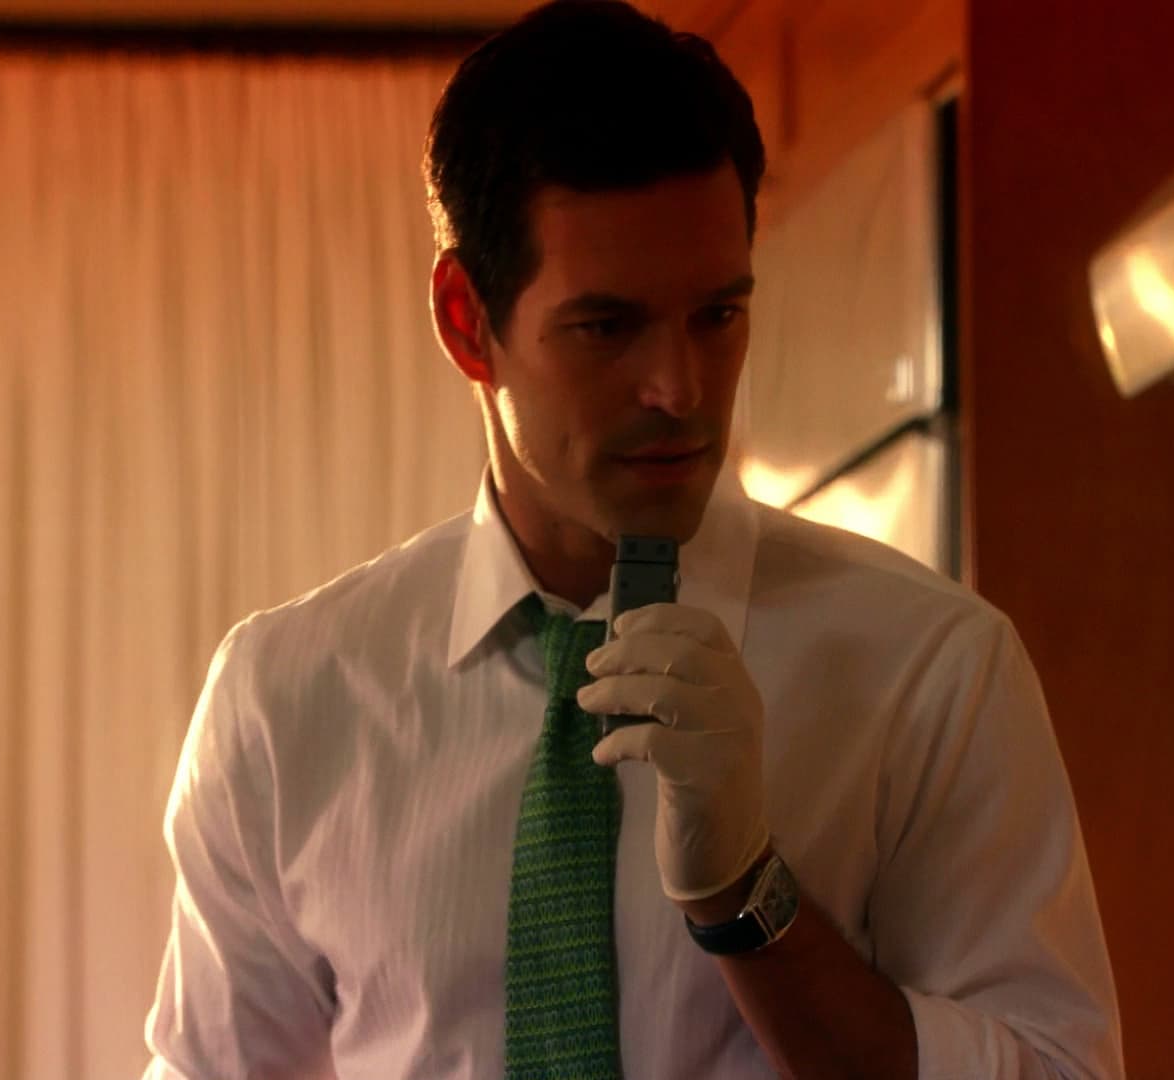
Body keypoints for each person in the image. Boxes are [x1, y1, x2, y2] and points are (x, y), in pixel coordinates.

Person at [143, 1, 1123, 1076]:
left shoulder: (931, 670)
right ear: (467, 321)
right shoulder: (287, 703)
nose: (680, 389)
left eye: (717, 315)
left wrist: (746, 893)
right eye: (606, 327)